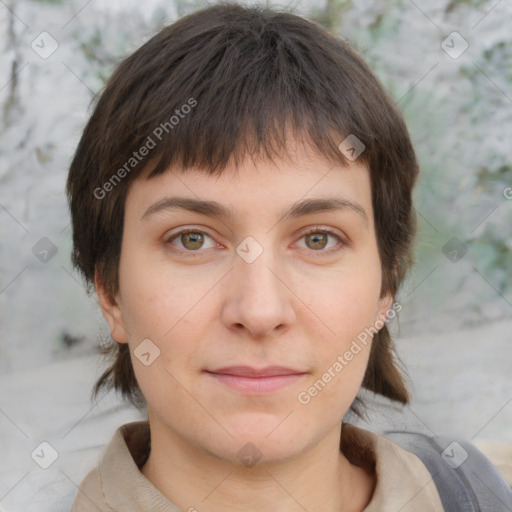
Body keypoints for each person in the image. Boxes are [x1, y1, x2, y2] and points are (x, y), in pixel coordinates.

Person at [66, 2, 512, 511]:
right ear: (110, 291)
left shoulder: (481, 495)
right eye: (192, 239)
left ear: (385, 286)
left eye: (318, 239)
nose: (259, 312)